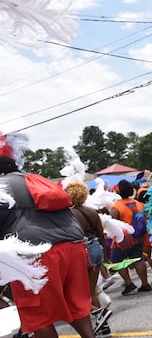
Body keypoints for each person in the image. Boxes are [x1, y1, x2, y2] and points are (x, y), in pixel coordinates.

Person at [0, 132, 95, 338]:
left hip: (36, 255)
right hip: (74, 247)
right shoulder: (38, 180)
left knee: (37, 316)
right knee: (77, 306)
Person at [66, 181, 112, 337]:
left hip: (82, 252)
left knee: (82, 294)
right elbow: (101, 234)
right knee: (92, 290)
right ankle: (104, 326)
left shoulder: (68, 214)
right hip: (96, 249)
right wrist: (105, 255)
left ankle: (98, 318)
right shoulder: (92, 211)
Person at [109, 179, 150, 295]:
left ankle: (129, 283)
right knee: (138, 258)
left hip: (125, 238)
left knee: (116, 260)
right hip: (139, 236)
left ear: (119, 192)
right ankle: (145, 283)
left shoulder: (116, 206)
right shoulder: (138, 204)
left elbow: (114, 224)